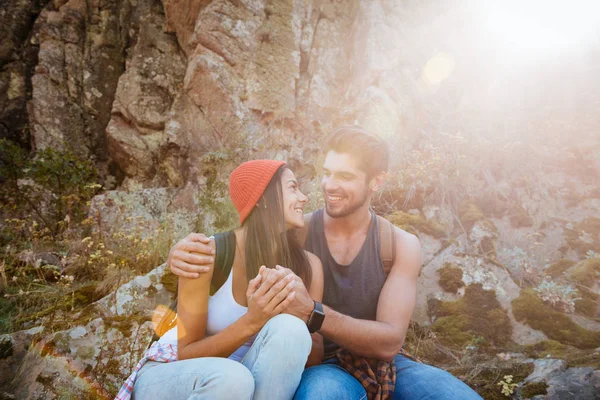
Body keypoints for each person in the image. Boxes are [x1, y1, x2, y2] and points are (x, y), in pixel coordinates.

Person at [168, 126, 482, 400]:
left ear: (376, 182)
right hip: (323, 368)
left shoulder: (400, 244)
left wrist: (311, 312)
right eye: (327, 172)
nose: (329, 185)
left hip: (389, 364)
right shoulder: (295, 232)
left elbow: (388, 342)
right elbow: (245, 238)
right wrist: (181, 252)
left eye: (344, 176)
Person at [116, 160, 324, 400]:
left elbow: (313, 357)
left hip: (249, 380)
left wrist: (301, 312)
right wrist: (253, 321)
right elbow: (185, 353)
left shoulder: (308, 268)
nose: (304, 198)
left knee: (291, 329)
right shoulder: (208, 254)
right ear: (264, 198)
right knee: (233, 379)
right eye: (293, 187)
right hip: (173, 377)